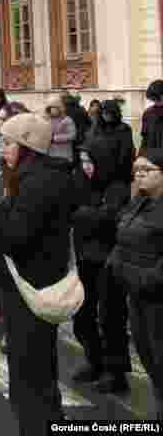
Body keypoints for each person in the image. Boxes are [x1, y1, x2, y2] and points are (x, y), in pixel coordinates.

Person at [0, 113, 75, 436]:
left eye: (9, 142)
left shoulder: (39, 183)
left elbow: (14, 237)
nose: (2, 149)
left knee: (29, 379)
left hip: (31, 291)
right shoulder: (32, 177)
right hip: (24, 289)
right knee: (37, 373)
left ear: (27, 145)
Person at [71, 148, 132, 393]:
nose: (86, 166)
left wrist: (83, 215)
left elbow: (110, 217)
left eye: (91, 161)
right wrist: (89, 215)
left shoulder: (117, 187)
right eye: (83, 161)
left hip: (109, 261)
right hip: (84, 258)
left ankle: (115, 371)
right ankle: (93, 359)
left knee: (111, 317)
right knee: (82, 314)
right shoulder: (80, 183)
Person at [110, 149, 163, 422]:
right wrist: (116, 265)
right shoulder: (138, 202)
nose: (139, 174)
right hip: (137, 296)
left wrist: (134, 277)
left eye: (147, 169)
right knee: (149, 359)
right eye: (137, 170)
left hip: (157, 298)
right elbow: (120, 236)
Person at [45, 93, 77, 165]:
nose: (52, 110)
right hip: (50, 154)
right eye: (50, 108)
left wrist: (55, 138)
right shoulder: (48, 120)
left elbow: (72, 135)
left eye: (54, 108)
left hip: (64, 155)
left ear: (59, 108)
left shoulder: (67, 120)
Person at [142, 80, 163, 153]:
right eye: (154, 99)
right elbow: (145, 140)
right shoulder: (148, 114)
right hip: (152, 158)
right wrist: (140, 156)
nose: (156, 101)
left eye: (158, 98)